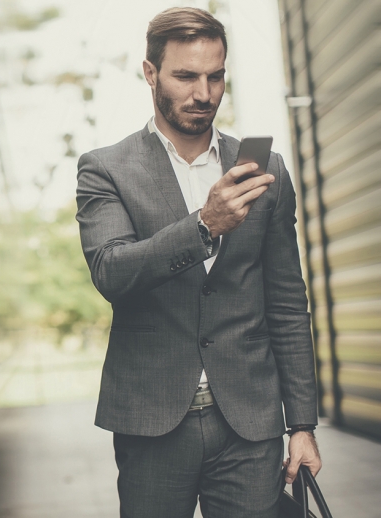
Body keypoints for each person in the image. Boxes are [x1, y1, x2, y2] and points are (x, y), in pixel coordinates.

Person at [75, 8, 321, 517]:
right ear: (151, 73)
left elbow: (287, 304)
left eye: (216, 76)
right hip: (152, 418)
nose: (203, 93)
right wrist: (204, 224)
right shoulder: (106, 170)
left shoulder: (262, 169)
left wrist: (302, 424)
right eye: (186, 76)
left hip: (250, 424)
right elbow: (112, 272)